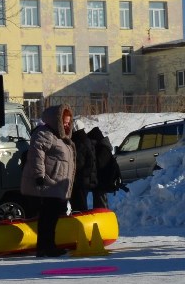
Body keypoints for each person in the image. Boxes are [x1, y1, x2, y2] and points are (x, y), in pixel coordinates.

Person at [21, 104, 76, 256]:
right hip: (47, 183)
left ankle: (47, 246)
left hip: (56, 184)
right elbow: (36, 155)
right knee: (47, 217)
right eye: (64, 122)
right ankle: (46, 247)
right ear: (56, 120)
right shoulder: (44, 133)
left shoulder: (60, 137)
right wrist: (39, 176)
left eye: (68, 122)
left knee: (52, 217)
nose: (67, 125)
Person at [88, 127, 124, 210]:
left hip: (102, 184)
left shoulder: (102, 150)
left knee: (101, 206)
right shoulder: (105, 147)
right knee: (101, 204)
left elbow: (100, 167)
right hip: (103, 184)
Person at [69, 127, 98, 212]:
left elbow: (79, 163)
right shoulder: (86, 140)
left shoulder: (79, 142)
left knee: (79, 206)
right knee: (81, 204)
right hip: (86, 178)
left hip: (81, 179)